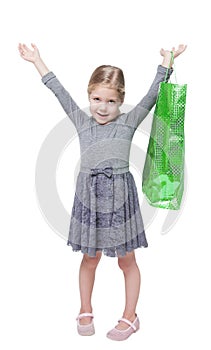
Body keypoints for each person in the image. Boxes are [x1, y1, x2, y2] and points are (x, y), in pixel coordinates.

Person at [18, 43, 186, 341]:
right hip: (90, 200)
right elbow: (59, 92)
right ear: (89, 96)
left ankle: (130, 316)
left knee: (126, 260)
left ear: (120, 100)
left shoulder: (128, 121)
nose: (102, 107)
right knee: (90, 258)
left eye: (110, 100)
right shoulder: (82, 121)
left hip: (121, 199)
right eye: (96, 98)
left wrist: (167, 62)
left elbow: (152, 95)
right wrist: (37, 61)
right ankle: (85, 309)